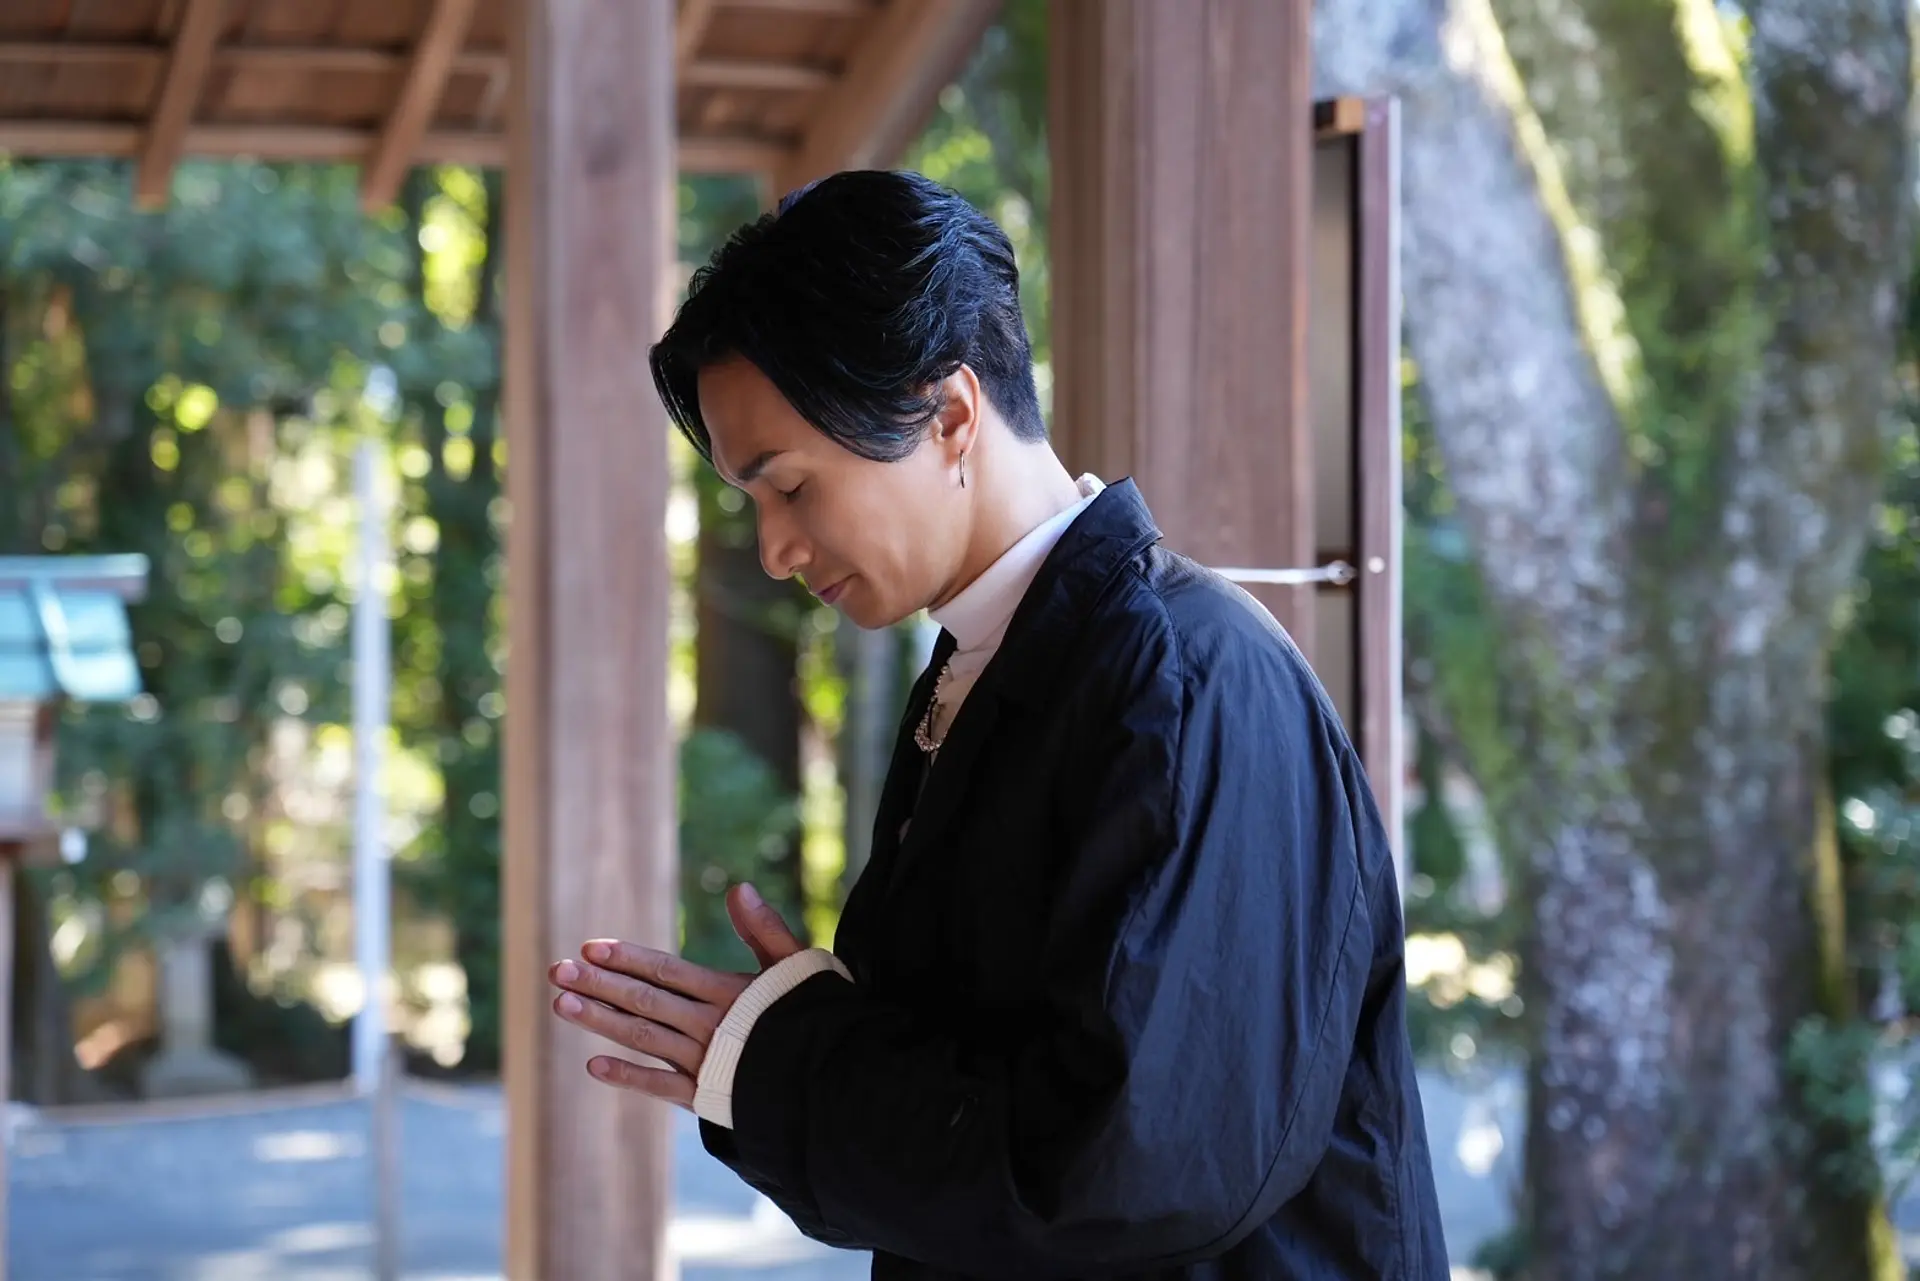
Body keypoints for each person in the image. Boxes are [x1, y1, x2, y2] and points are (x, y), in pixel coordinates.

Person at [547, 169, 1449, 1279]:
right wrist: (802, 1046)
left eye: (790, 488)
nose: (776, 548)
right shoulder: (996, 666)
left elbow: (1131, 1166)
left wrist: (787, 1068)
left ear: (951, 415)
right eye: (753, 504)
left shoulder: (1184, 680)